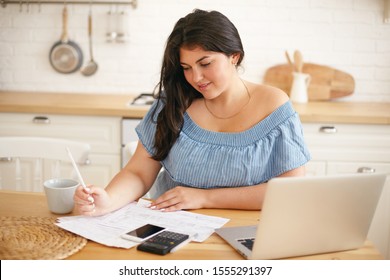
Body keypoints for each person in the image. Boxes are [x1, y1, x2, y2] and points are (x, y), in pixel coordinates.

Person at [74, 9, 310, 216]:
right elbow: (138, 172)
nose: (196, 78)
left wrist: (204, 198)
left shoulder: (273, 104)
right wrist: (108, 200)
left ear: (234, 56)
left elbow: (291, 189)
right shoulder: (174, 102)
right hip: (172, 229)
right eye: (186, 68)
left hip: (249, 229)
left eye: (205, 64)